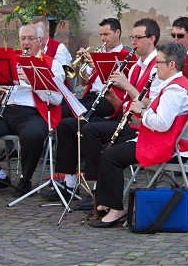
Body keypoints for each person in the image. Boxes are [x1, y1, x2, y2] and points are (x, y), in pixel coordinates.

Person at [42, 18, 160, 209]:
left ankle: (96, 191)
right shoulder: (138, 64)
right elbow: (119, 101)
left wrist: (122, 87)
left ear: (152, 39)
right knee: (66, 123)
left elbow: (152, 103)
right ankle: (69, 184)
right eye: (134, 37)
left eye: (138, 38)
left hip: (141, 125)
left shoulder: (150, 64)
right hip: (114, 108)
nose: (134, 42)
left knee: (89, 129)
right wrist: (113, 96)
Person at [88, 41, 188, 228]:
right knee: (112, 147)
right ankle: (105, 200)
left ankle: (116, 210)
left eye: (158, 62)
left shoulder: (174, 89)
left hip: (168, 146)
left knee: (110, 156)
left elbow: (162, 124)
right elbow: (164, 115)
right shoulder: (178, 83)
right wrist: (143, 114)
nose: (155, 66)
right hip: (167, 140)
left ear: (171, 65)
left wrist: (142, 111)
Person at [0, 23, 65, 197]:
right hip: (6, 112)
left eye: (30, 39)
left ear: (40, 41)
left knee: (33, 136)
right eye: (23, 39)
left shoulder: (52, 65)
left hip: (33, 114)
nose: (26, 43)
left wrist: (33, 81)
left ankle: (25, 179)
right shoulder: (11, 60)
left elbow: (56, 99)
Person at [77, 17, 128, 118]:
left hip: (108, 99)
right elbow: (84, 82)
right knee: (62, 108)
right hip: (91, 96)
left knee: (68, 116)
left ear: (117, 32)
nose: (102, 38)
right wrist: (82, 64)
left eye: (106, 34)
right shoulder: (98, 52)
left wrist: (99, 67)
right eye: (101, 35)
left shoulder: (125, 56)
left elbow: (124, 85)